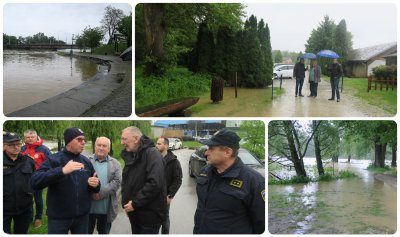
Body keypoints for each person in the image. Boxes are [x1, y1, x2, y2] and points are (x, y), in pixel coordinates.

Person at [193, 128, 265, 234]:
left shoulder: (254, 181)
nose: (206, 153)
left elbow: (261, 224)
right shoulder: (205, 172)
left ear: (227, 152)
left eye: (211, 148)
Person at [30, 127, 100, 234]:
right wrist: (62, 171)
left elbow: (95, 186)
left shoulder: (86, 161)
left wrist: (95, 184)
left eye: (84, 140)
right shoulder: (54, 159)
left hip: (82, 217)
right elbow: (35, 181)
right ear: (68, 141)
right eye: (79, 139)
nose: (83, 142)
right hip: (59, 218)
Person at [120, 126, 167, 234]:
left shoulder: (152, 154)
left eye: (124, 139)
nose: (122, 142)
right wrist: (126, 204)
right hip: (135, 213)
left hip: (149, 217)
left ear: (136, 139)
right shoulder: (132, 155)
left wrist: (134, 203)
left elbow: (154, 183)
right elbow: (127, 181)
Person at [3, 131, 36, 234]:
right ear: (4, 146)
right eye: (11, 145)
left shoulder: (28, 161)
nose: (16, 147)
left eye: (18, 144)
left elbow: (34, 180)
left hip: (24, 208)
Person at [88, 137, 122, 234]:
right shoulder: (86, 161)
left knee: (104, 233)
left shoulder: (116, 164)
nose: (101, 148)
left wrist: (100, 194)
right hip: (89, 209)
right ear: (95, 146)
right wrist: (91, 192)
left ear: (109, 148)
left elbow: (117, 181)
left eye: (104, 146)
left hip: (106, 209)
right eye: (99, 145)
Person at [20, 129, 52, 229]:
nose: (30, 139)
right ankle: (29, 218)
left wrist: (45, 175)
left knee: (38, 199)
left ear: (36, 137)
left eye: (32, 137)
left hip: (38, 178)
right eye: (28, 137)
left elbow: (51, 162)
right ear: (24, 138)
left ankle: (38, 218)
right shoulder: (22, 149)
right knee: (27, 199)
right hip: (25, 178)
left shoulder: (44, 149)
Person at [155, 137, 183, 234]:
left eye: (159, 144)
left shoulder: (174, 161)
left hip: (164, 196)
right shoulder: (153, 159)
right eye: (156, 143)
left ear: (166, 146)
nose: (156, 145)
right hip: (151, 196)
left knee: (164, 218)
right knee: (152, 219)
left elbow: (178, 179)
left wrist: (170, 194)